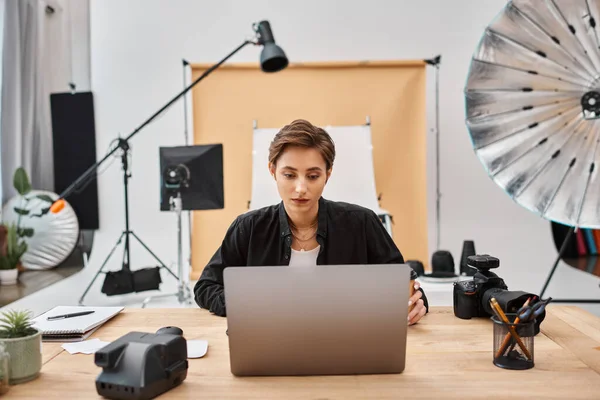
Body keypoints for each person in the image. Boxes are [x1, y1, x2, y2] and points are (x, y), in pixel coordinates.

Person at [193, 119, 428, 324]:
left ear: (328, 174)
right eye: (289, 175)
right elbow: (206, 288)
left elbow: (404, 284)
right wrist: (251, 305)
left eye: (313, 176)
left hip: (347, 342)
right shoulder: (248, 227)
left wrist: (416, 303)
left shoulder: (362, 223)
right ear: (273, 171)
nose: (301, 188)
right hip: (270, 341)